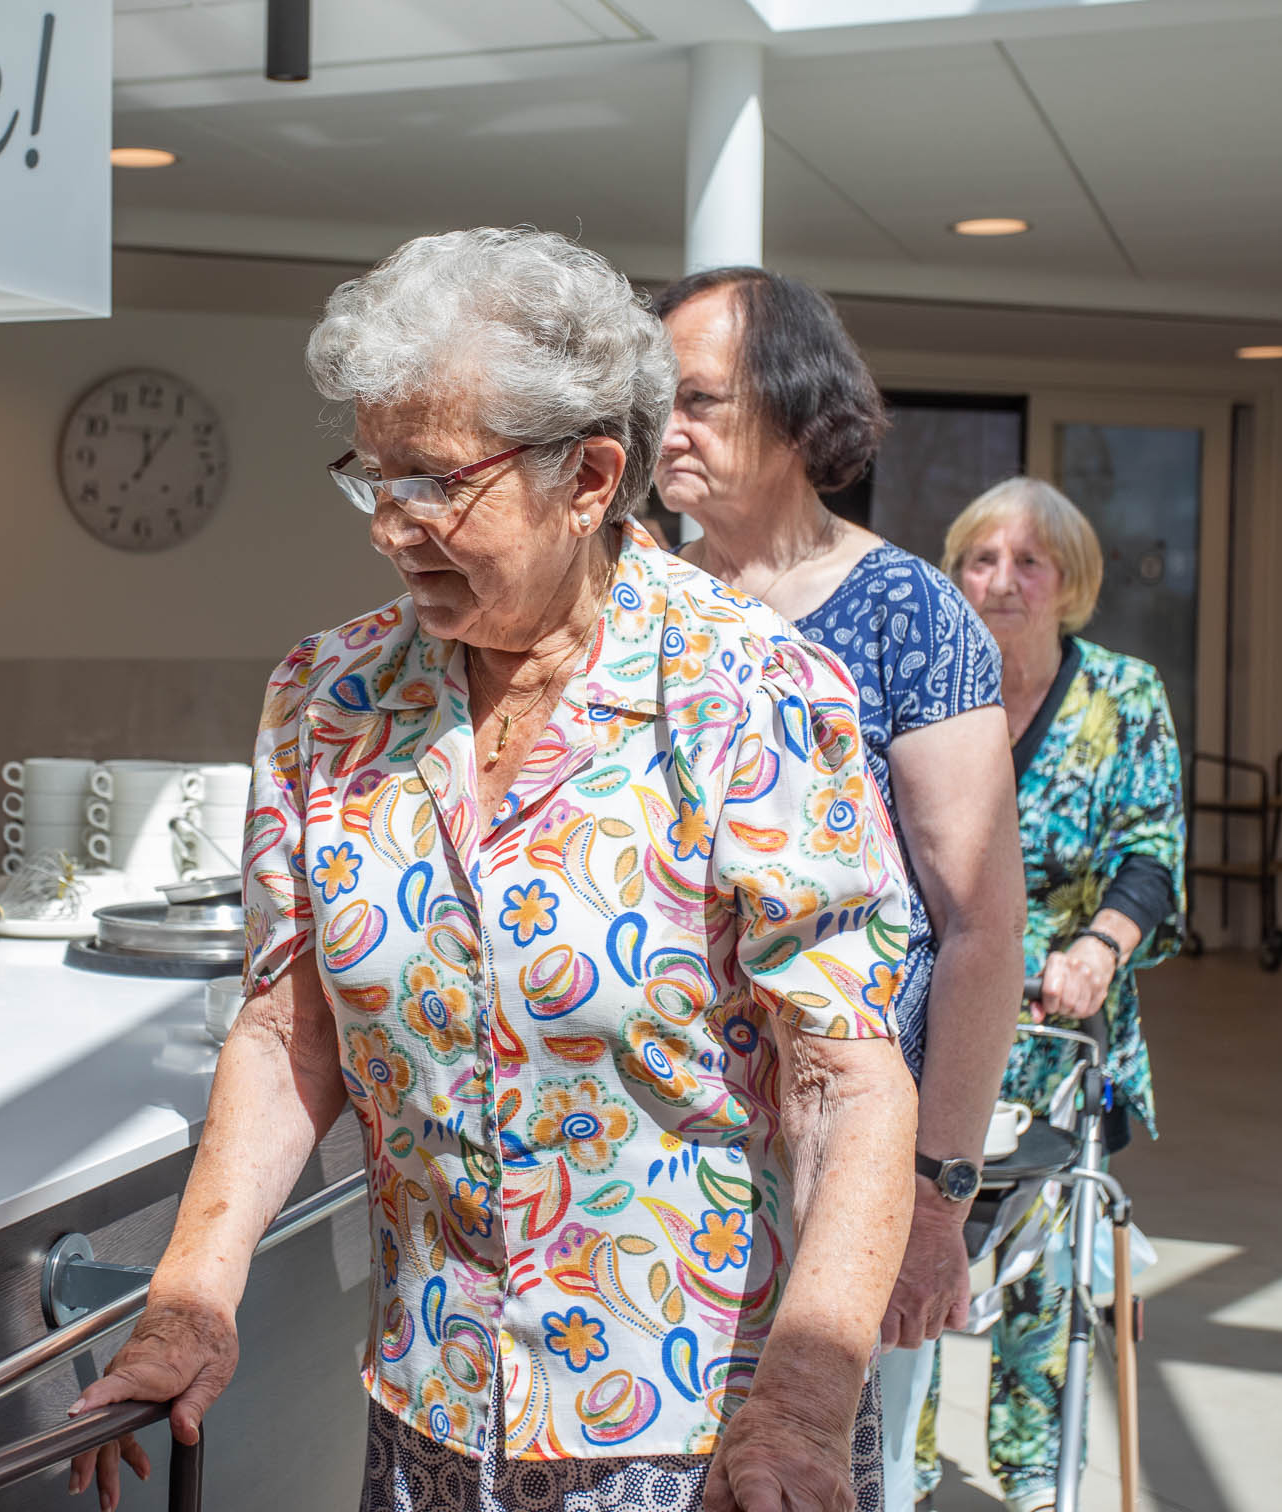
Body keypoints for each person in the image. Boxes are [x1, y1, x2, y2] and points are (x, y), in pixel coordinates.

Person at [68, 228, 918, 1512]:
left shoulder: (754, 691)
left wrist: (805, 1400)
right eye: (373, 474)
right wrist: (191, 1299)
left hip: (702, 1436)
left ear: (589, 476)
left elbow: (844, 1078)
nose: (391, 525)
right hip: (431, 1415)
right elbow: (288, 1025)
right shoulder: (328, 695)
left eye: (435, 482)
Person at [647, 268, 1027, 1505]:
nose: (667, 429)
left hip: (835, 1160)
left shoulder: (907, 614)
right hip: (653, 1167)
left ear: (801, 417)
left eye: (699, 398)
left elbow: (978, 926)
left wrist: (936, 1198)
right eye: (656, 400)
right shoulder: (635, 597)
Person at [925, 477, 1183, 1511]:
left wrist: (1099, 949)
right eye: (981, 559)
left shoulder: (1123, 695)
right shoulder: (931, 685)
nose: (1002, 581)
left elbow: (1151, 854)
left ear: (1069, 581)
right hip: (936, 1022)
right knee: (915, 1248)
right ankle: (898, 1466)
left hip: (1064, 1029)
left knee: (1046, 1278)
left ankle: (1039, 1477)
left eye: (1028, 562)